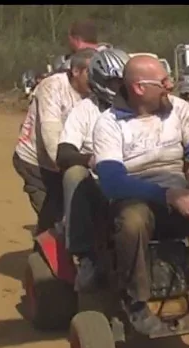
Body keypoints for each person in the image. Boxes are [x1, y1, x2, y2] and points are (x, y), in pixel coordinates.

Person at [91, 55, 189, 335]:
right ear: (139, 88)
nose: (170, 85)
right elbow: (112, 182)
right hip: (140, 204)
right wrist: (168, 195)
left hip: (181, 202)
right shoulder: (109, 124)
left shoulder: (180, 110)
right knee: (132, 219)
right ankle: (135, 302)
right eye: (163, 82)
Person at [56, 48, 131, 292]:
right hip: (99, 186)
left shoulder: (142, 106)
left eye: (124, 81)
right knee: (73, 174)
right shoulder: (84, 111)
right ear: (100, 80)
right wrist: (90, 160)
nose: (120, 86)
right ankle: (85, 255)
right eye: (114, 81)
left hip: (138, 177)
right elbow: (63, 153)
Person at [13, 48, 96, 234]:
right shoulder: (52, 87)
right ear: (76, 71)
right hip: (36, 163)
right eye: (91, 73)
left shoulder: (96, 91)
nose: (96, 78)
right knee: (52, 220)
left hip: (69, 161)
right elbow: (51, 140)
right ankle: (43, 259)